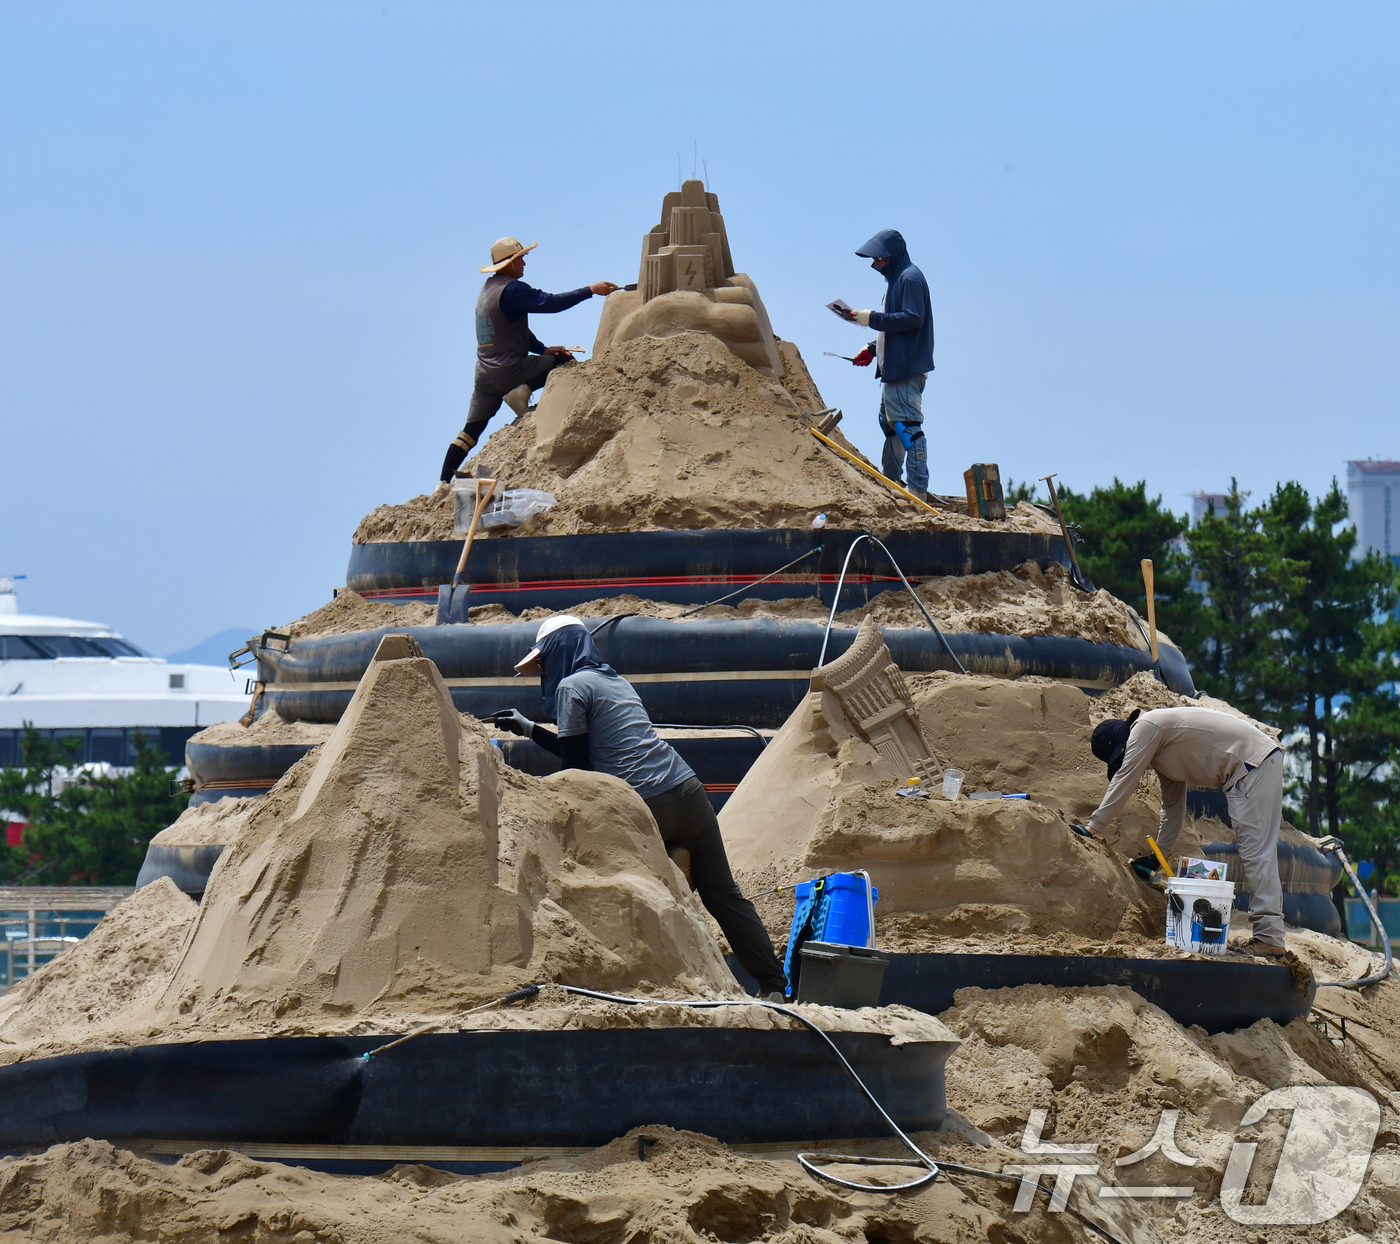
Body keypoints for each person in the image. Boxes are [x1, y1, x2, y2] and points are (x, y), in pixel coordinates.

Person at [497, 615, 789, 996]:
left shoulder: (571, 688)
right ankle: (774, 985)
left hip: (647, 807)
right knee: (725, 894)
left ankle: (661, 975)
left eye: (544, 663)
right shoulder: (616, 681)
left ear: (557, 653)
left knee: (628, 881)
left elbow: (577, 772)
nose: (544, 672)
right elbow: (592, 749)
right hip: (688, 793)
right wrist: (530, 729)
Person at [1078, 706, 1289, 957]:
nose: (1127, 761)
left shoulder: (1146, 727)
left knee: (1256, 852)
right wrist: (1158, 857)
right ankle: (1269, 935)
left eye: (1121, 757)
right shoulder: (1165, 749)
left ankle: (1269, 938)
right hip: (1255, 762)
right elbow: (1172, 808)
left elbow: (1125, 778)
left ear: (1124, 746)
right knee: (1257, 852)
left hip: (1252, 765)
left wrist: (1092, 828)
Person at [438, 238, 619, 485]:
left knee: (469, 433)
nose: (524, 263)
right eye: (520, 258)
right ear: (510, 264)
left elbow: (512, 330)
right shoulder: (513, 290)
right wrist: (590, 290)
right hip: (510, 370)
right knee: (564, 360)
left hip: (485, 377)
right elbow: (552, 303)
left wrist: (542, 349)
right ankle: (522, 391)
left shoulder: (488, 291)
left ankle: (443, 482)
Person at [835, 229, 934, 502]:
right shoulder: (897, 281)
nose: (874, 264)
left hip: (906, 369)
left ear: (892, 256)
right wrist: (872, 348)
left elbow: (912, 318)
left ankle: (916, 490)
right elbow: (897, 325)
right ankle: (893, 481)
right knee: (890, 422)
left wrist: (873, 318)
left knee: (906, 426)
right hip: (895, 367)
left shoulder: (909, 279)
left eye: (878, 258)